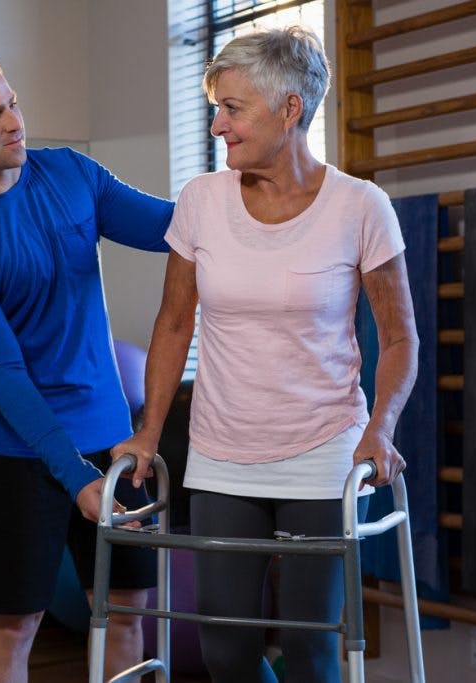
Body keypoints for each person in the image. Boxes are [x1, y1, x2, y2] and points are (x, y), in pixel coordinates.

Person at [111, 26, 418, 682]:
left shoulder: (361, 207)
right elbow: (173, 323)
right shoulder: (201, 202)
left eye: (233, 108)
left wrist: (380, 426)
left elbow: (399, 338)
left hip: (324, 449)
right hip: (222, 451)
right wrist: (148, 429)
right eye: (215, 108)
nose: (218, 124)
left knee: (310, 647)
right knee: (225, 648)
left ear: (289, 109)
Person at [0, 52, 174, 682]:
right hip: (16, 451)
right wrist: (71, 473)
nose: (15, 123)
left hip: (112, 442)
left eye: (13, 103)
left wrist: (256, 184)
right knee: (12, 626)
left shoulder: (71, 175)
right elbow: (3, 378)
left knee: (125, 611)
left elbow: (173, 227)